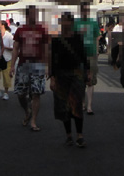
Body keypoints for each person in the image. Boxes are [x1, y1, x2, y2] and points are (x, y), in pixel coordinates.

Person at [50, 12, 89, 148]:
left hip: (76, 73)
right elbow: (52, 60)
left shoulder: (77, 38)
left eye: (68, 21)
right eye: (63, 21)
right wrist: (52, 77)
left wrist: (88, 72)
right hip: (61, 74)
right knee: (63, 105)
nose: (65, 24)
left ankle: (79, 135)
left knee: (76, 103)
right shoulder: (56, 40)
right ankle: (68, 135)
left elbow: (83, 56)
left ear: (71, 23)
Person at [11, 5, 49, 131]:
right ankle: (27, 111)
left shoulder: (41, 30)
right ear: (27, 15)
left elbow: (46, 49)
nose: (35, 16)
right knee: (21, 93)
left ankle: (33, 121)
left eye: (36, 13)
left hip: (38, 64)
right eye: (32, 14)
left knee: (36, 93)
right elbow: (15, 48)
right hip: (23, 64)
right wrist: (12, 65)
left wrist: (47, 65)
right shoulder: (20, 30)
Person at [73, 2, 100, 115]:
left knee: (90, 81)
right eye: (83, 10)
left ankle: (89, 106)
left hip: (91, 54)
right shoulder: (75, 23)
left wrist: (97, 50)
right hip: (79, 55)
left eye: (86, 10)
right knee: (80, 81)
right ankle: (83, 103)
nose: (84, 12)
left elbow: (97, 37)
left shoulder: (93, 23)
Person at [0, 21, 13, 101]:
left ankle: (6, 92)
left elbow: (13, 47)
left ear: (3, 25)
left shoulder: (9, 36)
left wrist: (5, 47)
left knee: (6, 76)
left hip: (7, 57)